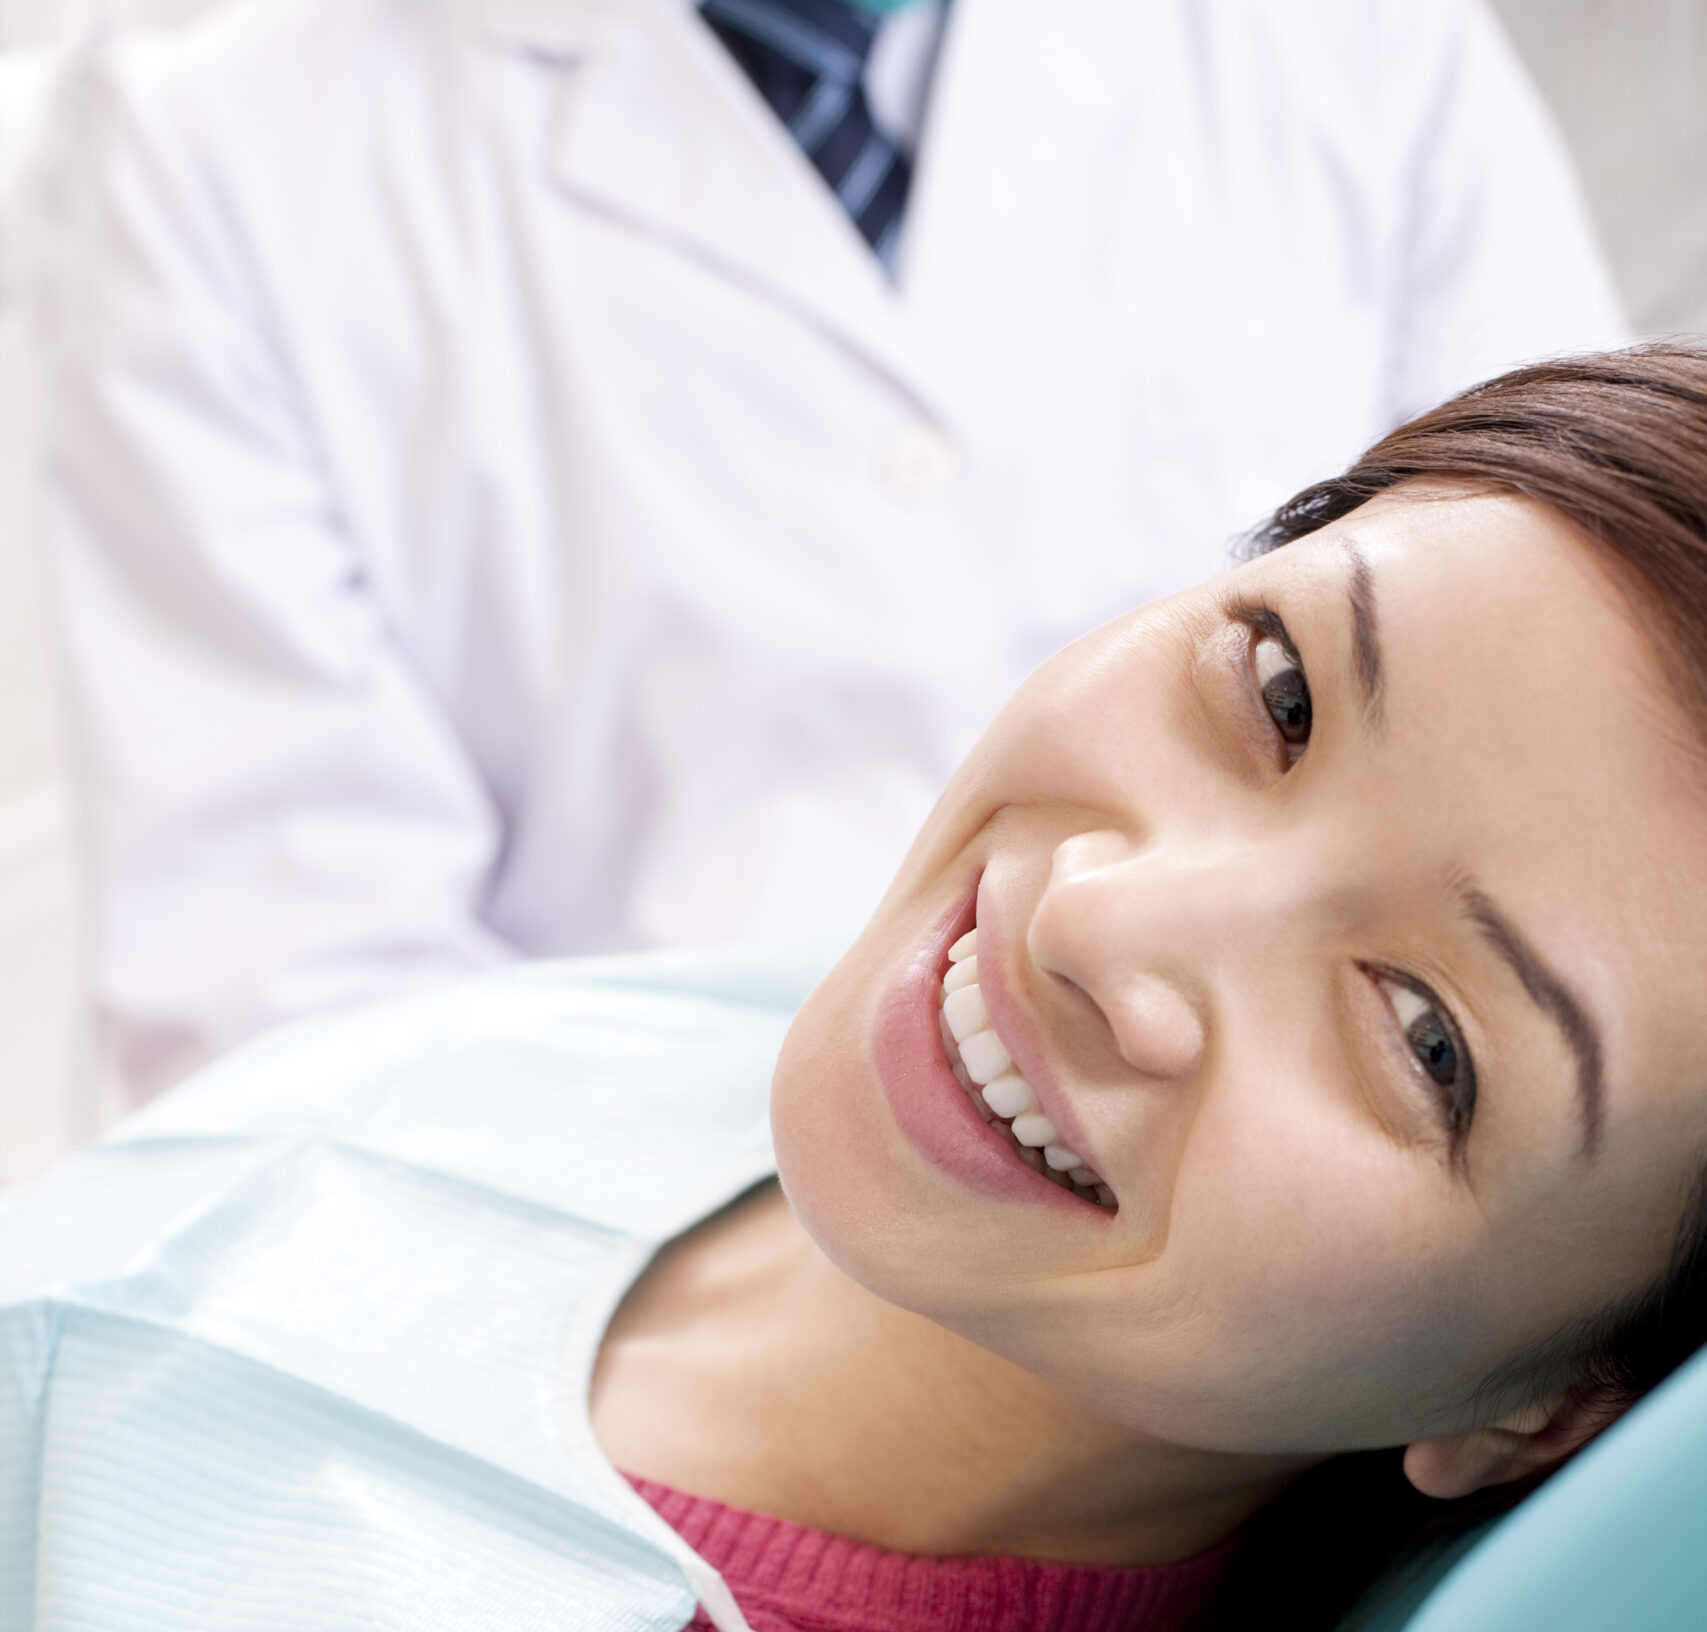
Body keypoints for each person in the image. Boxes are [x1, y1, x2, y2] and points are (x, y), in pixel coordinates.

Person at [8, 345, 1707, 1632]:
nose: (1103, 909)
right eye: (1275, 689)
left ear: (1539, 1404)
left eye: (1421, 1034)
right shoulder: (782, 1071)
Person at [35, 0, 1622, 1099]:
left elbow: (1585, 691)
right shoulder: (219, 164)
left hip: (1270, 1271)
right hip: (641, 1270)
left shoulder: (1353, 38)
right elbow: (297, 1006)